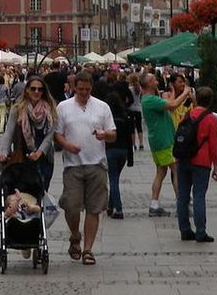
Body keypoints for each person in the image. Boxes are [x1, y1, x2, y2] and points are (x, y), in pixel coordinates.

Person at [54, 71, 116, 266]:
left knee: (94, 208)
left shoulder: (102, 107)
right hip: (73, 165)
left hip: (97, 164)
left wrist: (105, 134)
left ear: (91, 87)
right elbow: (57, 133)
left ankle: (88, 249)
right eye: (80, 89)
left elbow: (113, 134)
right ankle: (75, 235)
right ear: (74, 88)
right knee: (71, 205)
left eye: (87, 89)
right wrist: (67, 145)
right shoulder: (63, 107)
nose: (84, 93)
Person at [140, 72, 190, 216]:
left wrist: (173, 92)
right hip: (164, 140)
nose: (156, 80)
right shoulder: (150, 99)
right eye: (153, 79)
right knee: (177, 171)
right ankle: (182, 205)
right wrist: (185, 93)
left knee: (161, 172)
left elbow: (169, 105)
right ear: (148, 83)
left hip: (157, 139)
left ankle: (154, 204)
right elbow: (173, 105)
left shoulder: (149, 98)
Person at [175, 86, 217, 243]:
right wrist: (216, 166)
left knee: (182, 196)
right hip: (201, 161)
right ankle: (201, 232)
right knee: (199, 196)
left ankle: (184, 230)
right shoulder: (210, 118)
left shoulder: (187, 115)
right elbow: (214, 146)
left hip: (184, 159)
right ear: (211, 100)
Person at [0, 75, 57, 191]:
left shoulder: (50, 109)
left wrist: (39, 153)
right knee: (23, 191)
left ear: (44, 92)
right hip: (23, 155)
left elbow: (49, 136)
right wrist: (4, 152)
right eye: (33, 89)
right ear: (27, 90)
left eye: (40, 89)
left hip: (44, 157)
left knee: (42, 190)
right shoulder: (17, 109)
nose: (36, 92)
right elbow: (9, 132)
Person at [97, 80, 133, 220]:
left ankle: (118, 209)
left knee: (113, 180)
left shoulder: (106, 119)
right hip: (123, 151)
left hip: (111, 150)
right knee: (115, 177)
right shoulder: (125, 116)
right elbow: (129, 138)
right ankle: (110, 206)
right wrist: (130, 158)